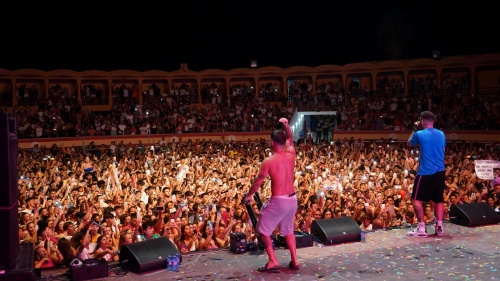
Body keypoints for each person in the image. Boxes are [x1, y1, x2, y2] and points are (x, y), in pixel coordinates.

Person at [244, 117, 299, 273]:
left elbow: (258, 182)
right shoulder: (291, 153)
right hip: (292, 199)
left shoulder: (268, 161)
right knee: (288, 231)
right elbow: (290, 137)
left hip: (279, 201)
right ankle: (295, 260)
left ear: (272, 142)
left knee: (261, 230)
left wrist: (249, 196)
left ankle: (273, 260)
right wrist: (287, 125)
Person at [407, 111, 446, 237]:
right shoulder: (441, 134)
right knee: (438, 200)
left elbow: (409, 143)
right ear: (433, 121)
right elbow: (443, 150)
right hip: (440, 171)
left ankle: (421, 229)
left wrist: (414, 129)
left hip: (425, 172)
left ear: (422, 121)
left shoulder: (419, 133)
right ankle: (439, 228)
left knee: (415, 199)